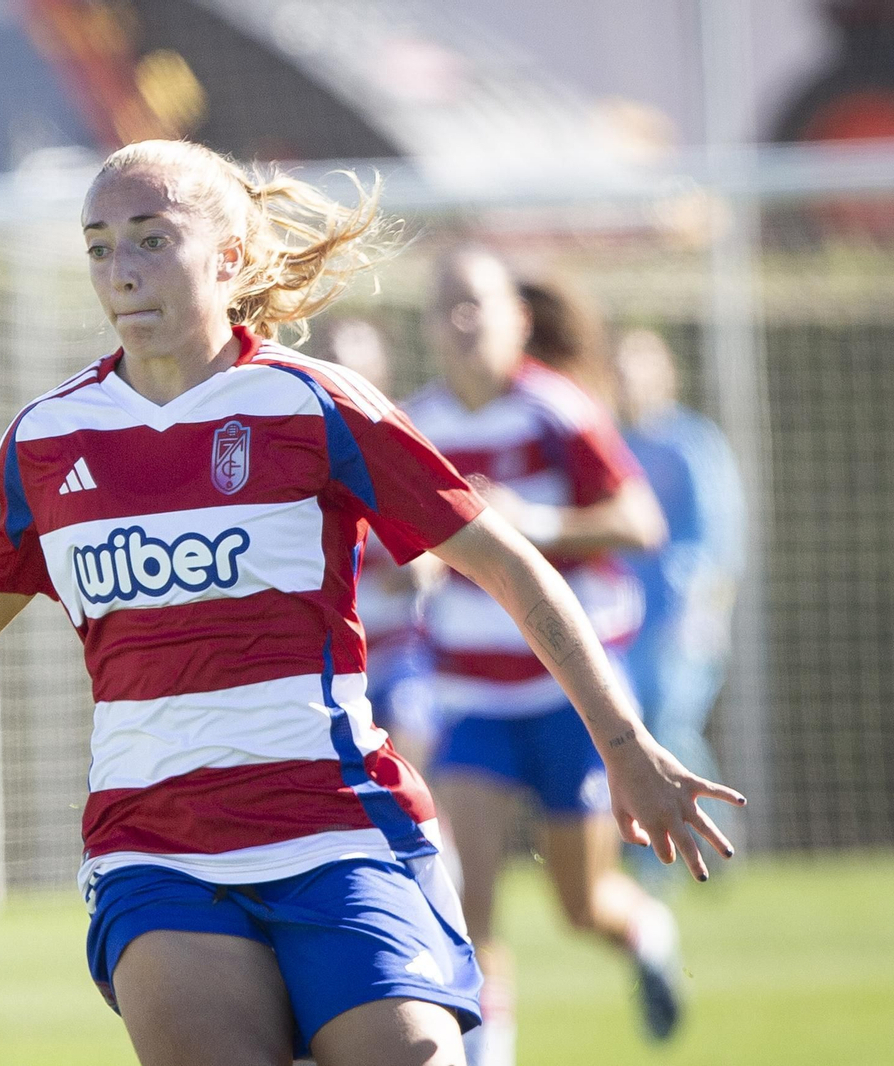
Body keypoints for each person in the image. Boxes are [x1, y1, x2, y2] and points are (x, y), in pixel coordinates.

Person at [0, 143, 743, 1066]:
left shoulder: (318, 406)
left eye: (150, 240)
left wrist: (625, 744)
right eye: (99, 248)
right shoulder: (48, 443)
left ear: (228, 257)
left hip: (338, 830)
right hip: (158, 848)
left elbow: (510, 565)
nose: (120, 269)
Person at [404, 254, 689, 1066]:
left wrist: (536, 522)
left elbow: (640, 523)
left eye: (478, 306)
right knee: (467, 906)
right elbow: (397, 550)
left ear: (517, 321)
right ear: (427, 325)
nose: (462, 322)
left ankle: (643, 931)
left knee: (580, 902)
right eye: (447, 307)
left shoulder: (554, 410)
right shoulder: (412, 426)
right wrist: (411, 563)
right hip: (473, 702)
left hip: (569, 699)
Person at [613, 329, 746, 886]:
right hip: (626, 627)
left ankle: (673, 853)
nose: (626, 378)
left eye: (637, 365)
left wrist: (705, 616)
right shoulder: (612, 442)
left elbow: (721, 540)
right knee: (640, 729)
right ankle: (688, 843)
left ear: (663, 372)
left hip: (682, 625)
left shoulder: (693, 442)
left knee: (670, 725)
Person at [316, 318, 440, 772]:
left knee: (408, 742)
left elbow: (439, 551)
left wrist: (418, 571)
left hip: (398, 652)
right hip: (326, 659)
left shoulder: (407, 439)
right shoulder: (300, 447)